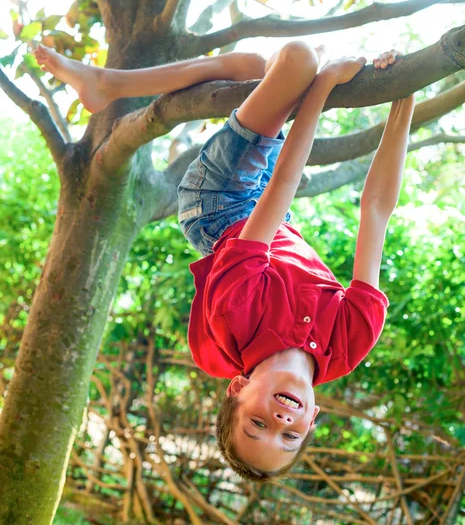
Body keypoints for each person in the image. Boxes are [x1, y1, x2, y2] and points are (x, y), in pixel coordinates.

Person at [34, 42, 415, 482]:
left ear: (237, 389)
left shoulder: (234, 319)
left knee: (299, 62)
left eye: (258, 425)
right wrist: (404, 92)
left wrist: (326, 81)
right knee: (259, 68)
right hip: (274, 209)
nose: (281, 423)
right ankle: (109, 85)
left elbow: (283, 187)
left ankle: (108, 83)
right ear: (311, 422)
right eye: (289, 437)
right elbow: (378, 210)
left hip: (221, 203)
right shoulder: (349, 343)